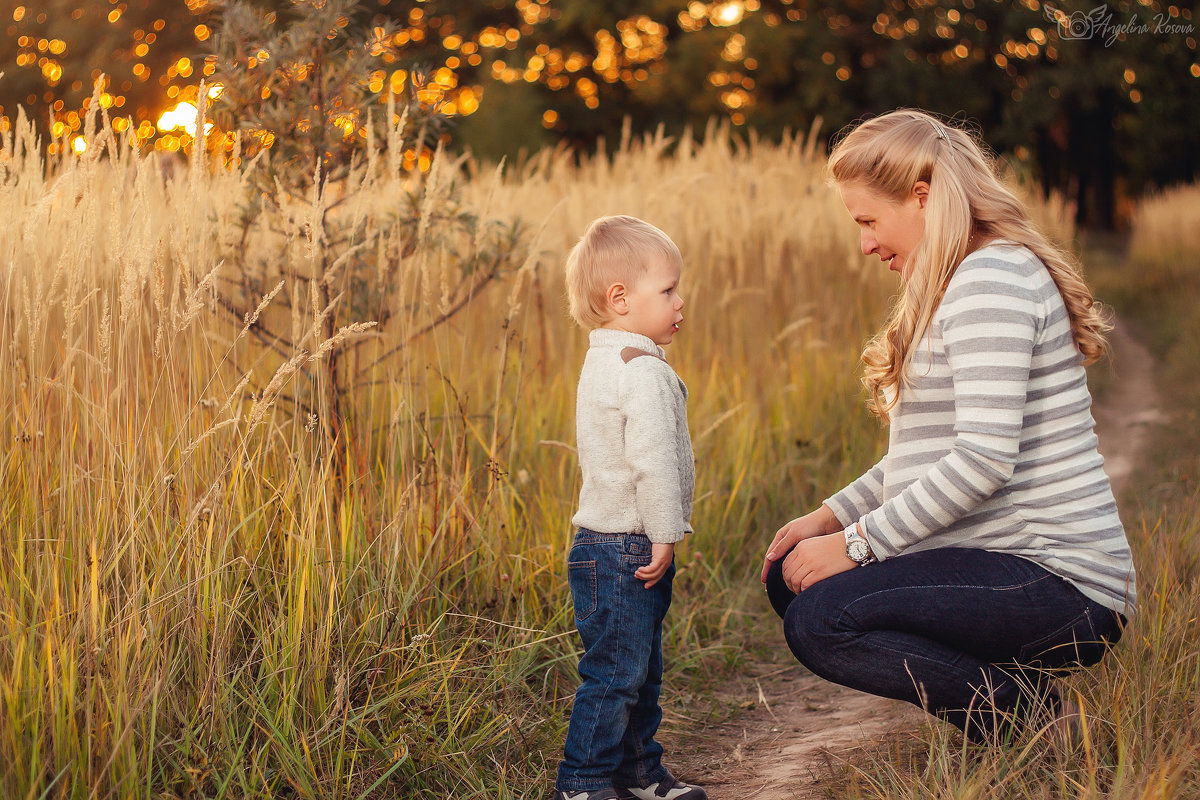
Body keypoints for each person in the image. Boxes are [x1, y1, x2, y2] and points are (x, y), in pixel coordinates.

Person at [760, 109, 1138, 744]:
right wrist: (832, 518)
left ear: (923, 198)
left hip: (1059, 577)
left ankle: (1036, 723)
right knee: (790, 577)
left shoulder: (992, 278)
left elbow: (982, 461)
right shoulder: (953, 283)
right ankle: (1018, 706)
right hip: (1005, 563)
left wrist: (857, 546)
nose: (865, 245)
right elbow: (930, 453)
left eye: (869, 221)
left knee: (820, 619)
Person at [554, 215, 707, 800]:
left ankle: (639, 773)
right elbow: (653, 462)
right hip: (628, 544)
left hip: (603, 543)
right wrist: (665, 532)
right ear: (620, 299)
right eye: (667, 290)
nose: (679, 301)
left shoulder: (603, 361)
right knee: (618, 674)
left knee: (635, 669)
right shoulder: (640, 370)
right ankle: (583, 781)